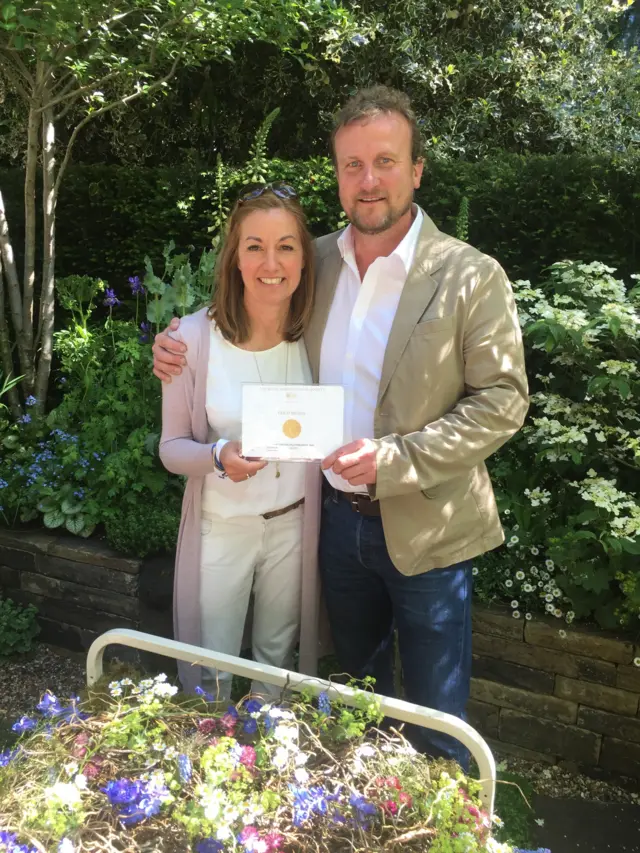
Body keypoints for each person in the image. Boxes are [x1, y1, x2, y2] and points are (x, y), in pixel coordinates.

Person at [153, 86, 529, 766]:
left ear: (416, 169)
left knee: (437, 717)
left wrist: (397, 458)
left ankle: (447, 823)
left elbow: (502, 399)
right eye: (352, 164)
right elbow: (250, 306)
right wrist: (177, 347)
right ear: (337, 173)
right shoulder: (314, 260)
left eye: (385, 161)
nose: (368, 180)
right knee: (355, 700)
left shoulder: (471, 275)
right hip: (332, 523)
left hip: (429, 527)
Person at [158, 183, 322, 699]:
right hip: (222, 526)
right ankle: (209, 757)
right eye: (254, 246)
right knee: (213, 667)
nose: (270, 262)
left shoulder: (318, 331)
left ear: (304, 257)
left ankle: (268, 753)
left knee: (277, 661)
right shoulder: (190, 339)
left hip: (293, 524)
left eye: (286, 246)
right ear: (234, 256)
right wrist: (218, 457)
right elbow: (171, 448)